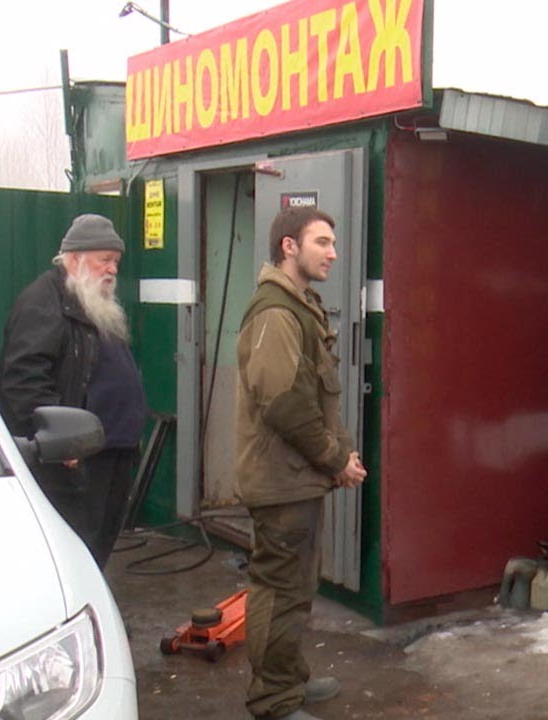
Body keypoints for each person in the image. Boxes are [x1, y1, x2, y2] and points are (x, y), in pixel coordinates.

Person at [236, 206, 366, 720]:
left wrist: (338, 455)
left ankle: (288, 679)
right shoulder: (276, 312)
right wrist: (336, 458)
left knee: (295, 587)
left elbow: (315, 396)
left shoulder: (298, 306)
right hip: (280, 482)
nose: (333, 252)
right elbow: (285, 403)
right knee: (278, 588)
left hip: (298, 478)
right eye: (322, 242)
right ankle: (272, 700)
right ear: (289, 246)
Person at [0, 213, 147, 568]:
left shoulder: (92, 301)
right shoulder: (43, 302)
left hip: (111, 453)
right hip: (74, 461)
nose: (111, 270)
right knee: (76, 553)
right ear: (74, 258)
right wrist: (59, 441)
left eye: (116, 262)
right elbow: (23, 379)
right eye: (104, 260)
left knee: (99, 548)